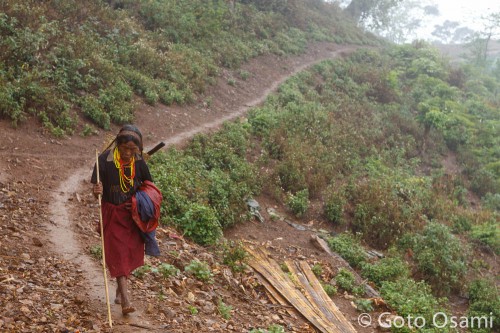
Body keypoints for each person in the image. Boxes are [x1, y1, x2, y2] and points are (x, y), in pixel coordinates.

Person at [91, 124, 153, 315]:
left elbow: (148, 185)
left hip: (132, 215)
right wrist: (97, 191)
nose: (128, 153)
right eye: (124, 148)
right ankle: (126, 299)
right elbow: (95, 189)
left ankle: (120, 288)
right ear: (117, 145)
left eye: (132, 150)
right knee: (118, 251)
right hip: (112, 211)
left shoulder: (139, 162)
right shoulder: (104, 160)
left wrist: (144, 203)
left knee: (130, 251)